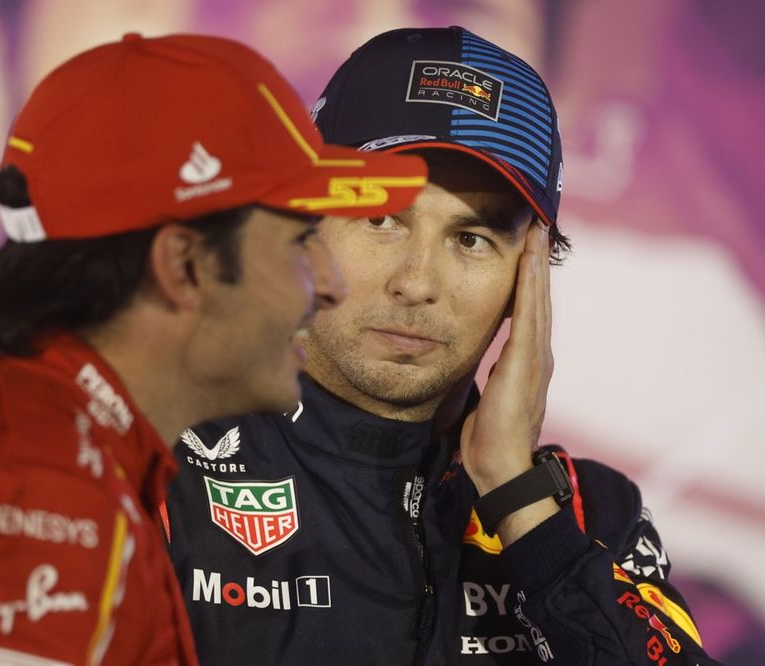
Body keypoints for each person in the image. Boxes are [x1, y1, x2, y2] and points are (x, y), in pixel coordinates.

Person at [0, 33, 429, 665]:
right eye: (297, 242)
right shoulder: (40, 494)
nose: (328, 283)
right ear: (184, 267)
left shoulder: (55, 448)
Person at [163, 27, 721, 665]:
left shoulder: (594, 519)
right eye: (380, 218)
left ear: (530, 275)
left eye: (472, 238)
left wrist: (517, 497)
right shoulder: (153, 475)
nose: (416, 283)